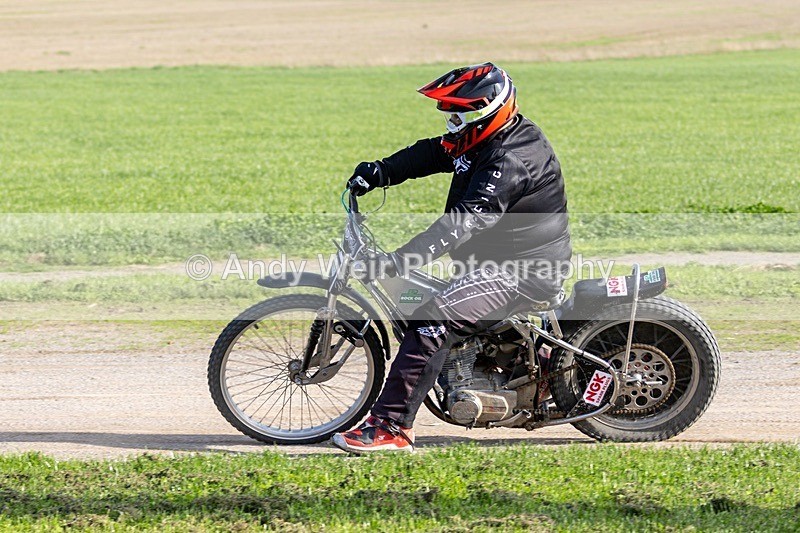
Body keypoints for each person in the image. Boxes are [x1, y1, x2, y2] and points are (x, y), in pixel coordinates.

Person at [331, 63, 572, 453]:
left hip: (520, 272)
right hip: (495, 263)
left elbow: (462, 223)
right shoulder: (485, 138)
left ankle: (392, 427)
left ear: (484, 111)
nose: (450, 121)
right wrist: (382, 172)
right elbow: (434, 152)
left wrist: (401, 260)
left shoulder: (509, 158)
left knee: (432, 319)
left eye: (457, 113)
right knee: (418, 302)